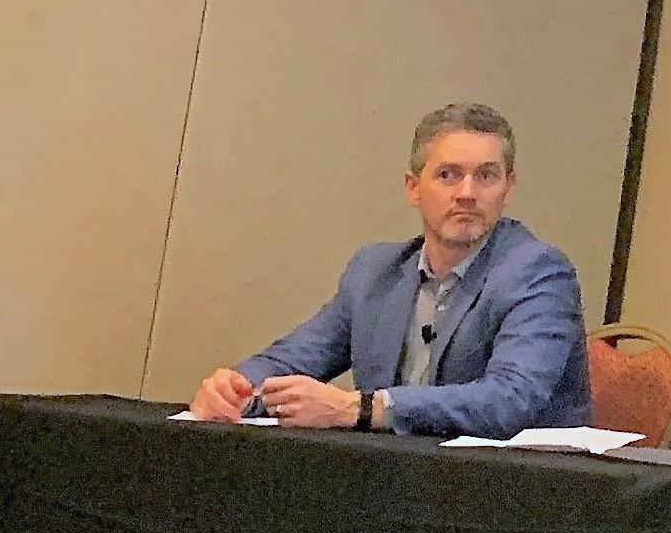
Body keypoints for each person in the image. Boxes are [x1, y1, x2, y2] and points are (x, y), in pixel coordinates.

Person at [185, 102, 594, 439]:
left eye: (485, 176)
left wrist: (361, 408)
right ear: (413, 188)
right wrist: (235, 388)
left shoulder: (538, 273)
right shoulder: (374, 271)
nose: (467, 193)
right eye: (448, 175)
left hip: (511, 497)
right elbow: (296, 357)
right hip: (393, 483)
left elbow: (508, 400)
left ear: (508, 188)